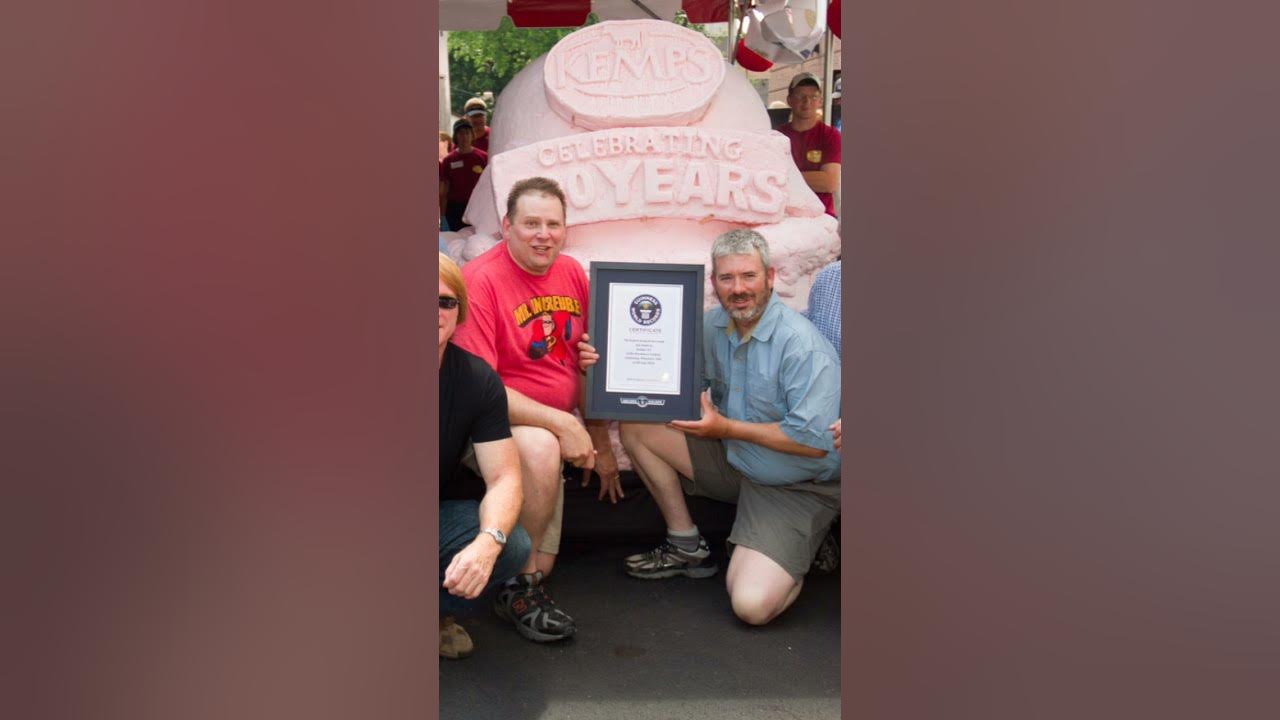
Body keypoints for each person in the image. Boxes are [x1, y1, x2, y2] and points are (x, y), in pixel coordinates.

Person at [618, 229, 840, 626]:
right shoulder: (711, 326)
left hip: (794, 486)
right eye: (727, 278)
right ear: (714, 282)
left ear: (770, 277)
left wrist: (726, 429)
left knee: (751, 606)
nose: (738, 289)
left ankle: (807, 541)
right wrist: (606, 359)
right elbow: (664, 380)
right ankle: (686, 546)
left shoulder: (801, 346)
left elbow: (816, 445)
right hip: (737, 462)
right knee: (636, 423)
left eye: (749, 276)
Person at [451, 177, 621, 643]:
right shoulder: (480, 281)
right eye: (531, 224)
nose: (543, 234)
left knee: (544, 564)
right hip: (491, 426)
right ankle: (518, 590)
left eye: (553, 224)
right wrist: (562, 423)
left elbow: (583, 362)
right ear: (507, 226)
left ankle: (523, 578)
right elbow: (481, 388)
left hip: (553, 425)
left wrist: (601, 443)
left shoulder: (570, 273)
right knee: (543, 447)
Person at [437, 252, 532, 659]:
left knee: (512, 544)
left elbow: (505, 479)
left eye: (445, 302)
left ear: (459, 314)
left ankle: (436, 613)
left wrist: (487, 542)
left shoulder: (476, 379)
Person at [777, 72, 842, 218]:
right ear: (789, 100)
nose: (807, 102)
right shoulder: (777, 136)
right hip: (785, 215)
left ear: (820, 100)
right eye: (800, 96)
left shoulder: (830, 136)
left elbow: (829, 182)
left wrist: (783, 178)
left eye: (813, 97)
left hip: (821, 218)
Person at [439, 119, 488, 231]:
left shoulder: (483, 157)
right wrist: (442, 216)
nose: (464, 136)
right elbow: (444, 190)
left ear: (472, 135)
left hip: (477, 207)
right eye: (460, 133)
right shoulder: (448, 160)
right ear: (455, 136)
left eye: (467, 132)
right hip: (455, 209)